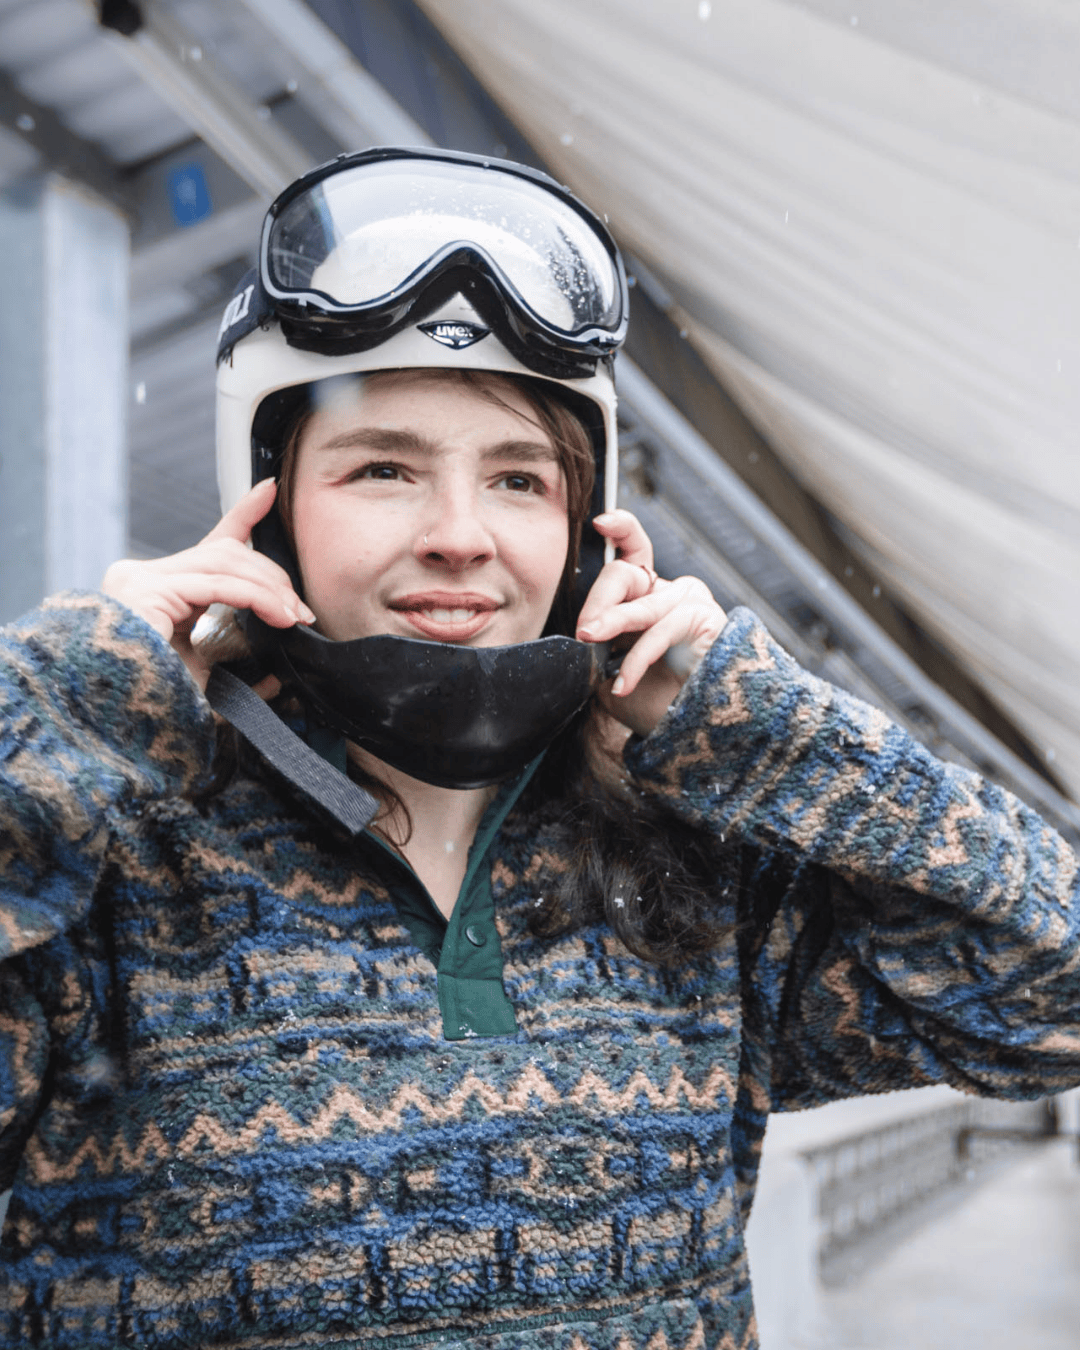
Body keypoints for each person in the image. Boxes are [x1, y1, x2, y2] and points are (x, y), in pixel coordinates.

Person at [0, 146, 1077, 1350]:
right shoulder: (97, 863)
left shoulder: (697, 871)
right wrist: (66, 703)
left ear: (585, 540)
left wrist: (755, 721)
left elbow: (1054, 994)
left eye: (518, 478)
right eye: (384, 468)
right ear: (266, 508)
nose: (461, 536)